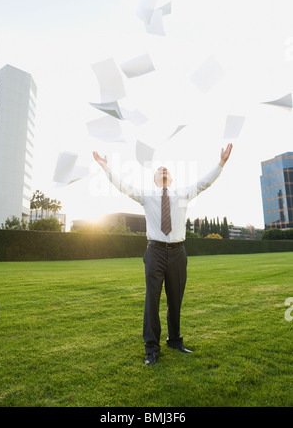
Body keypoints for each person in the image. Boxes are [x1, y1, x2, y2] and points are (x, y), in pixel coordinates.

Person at [93, 144, 233, 365]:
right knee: (152, 301)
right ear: (155, 179)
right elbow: (123, 186)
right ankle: (152, 349)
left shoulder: (183, 194)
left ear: (172, 178)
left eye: (166, 169)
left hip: (178, 253)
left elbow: (204, 183)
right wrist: (105, 166)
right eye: (159, 170)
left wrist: (221, 163)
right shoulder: (147, 195)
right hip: (155, 251)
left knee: (175, 300)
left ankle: (175, 340)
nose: (163, 170)